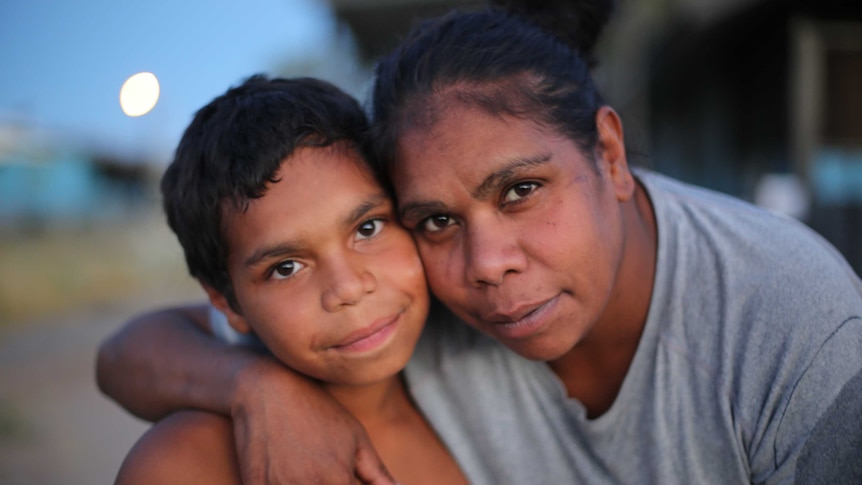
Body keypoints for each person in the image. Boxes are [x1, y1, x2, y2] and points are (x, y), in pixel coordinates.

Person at [98, 3, 862, 484]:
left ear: (611, 155)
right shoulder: (405, 305)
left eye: (522, 190)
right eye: (433, 219)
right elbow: (129, 350)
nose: (486, 262)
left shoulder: (792, 324)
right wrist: (254, 389)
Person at [111, 75, 468, 485]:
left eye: (368, 229)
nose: (348, 288)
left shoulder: (485, 356)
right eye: (286, 268)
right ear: (227, 303)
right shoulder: (187, 464)